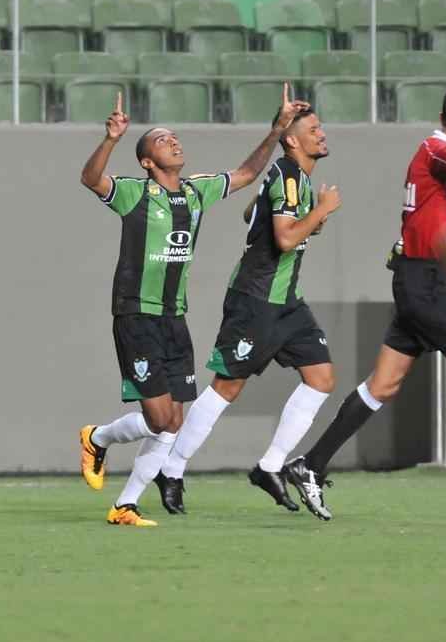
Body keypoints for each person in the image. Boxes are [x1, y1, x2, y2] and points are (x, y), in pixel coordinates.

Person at [284, 84, 446, 521]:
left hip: (419, 282)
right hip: (427, 287)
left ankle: (310, 464)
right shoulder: (438, 150)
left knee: (381, 386)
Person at [78, 89, 307, 527]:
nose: (174, 142)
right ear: (146, 161)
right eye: (163, 141)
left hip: (173, 317)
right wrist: (110, 140)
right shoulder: (133, 194)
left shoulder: (196, 191)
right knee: (161, 418)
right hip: (136, 315)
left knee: (173, 422)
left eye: (175, 137)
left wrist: (276, 131)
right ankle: (99, 437)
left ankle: (124, 505)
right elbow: (91, 179)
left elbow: (244, 173)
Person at [150, 105, 342, 515]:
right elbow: (287, 239)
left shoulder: (291, 177)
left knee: (321, 377)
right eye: (313, 129)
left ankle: (270, 466)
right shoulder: (289, 176)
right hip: (255, 299)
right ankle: (172, 467)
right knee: (227, 387)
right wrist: (322, 211)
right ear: (292, 139)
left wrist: (307, 213)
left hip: (287, 301)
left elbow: (249, 213)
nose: (322, 134)